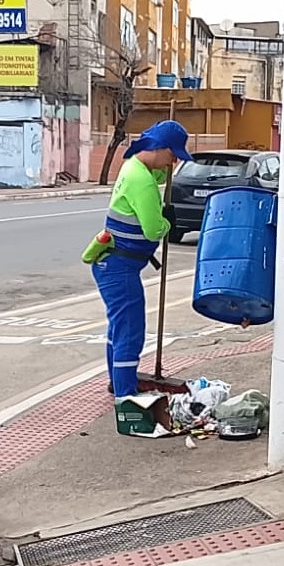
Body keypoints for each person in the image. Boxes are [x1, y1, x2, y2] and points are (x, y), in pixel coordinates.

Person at [92, 120, 192, 398]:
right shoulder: (143, 182)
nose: (173, 162)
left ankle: (118, 383)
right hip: (120, 267)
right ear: (158, 147)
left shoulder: (133, 166)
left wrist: (164, 170)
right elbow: (153, 229)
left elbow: (157, 175)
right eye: (172, 155)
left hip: (112, 263)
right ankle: (126, 396)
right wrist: (167, 222)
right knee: (130, 332)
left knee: (119, 327)